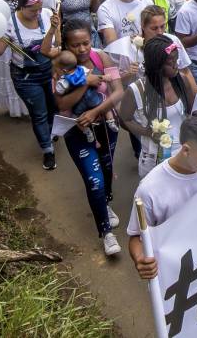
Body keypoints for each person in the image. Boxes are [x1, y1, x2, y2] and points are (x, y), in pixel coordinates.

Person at [47, 19, 124, 256]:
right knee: (94, 181)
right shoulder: (60, 66)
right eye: (75, 45)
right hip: (77, 132)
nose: (81, 49)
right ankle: (106, 234)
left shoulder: (102, 58)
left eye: (85, 43)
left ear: (92, 40)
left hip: (106, 127)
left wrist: (95, 112)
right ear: (66, 47)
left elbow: (118, 91)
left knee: (108, 171)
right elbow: (61, 103)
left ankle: (106, 203)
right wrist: (85, 83)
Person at [127, 110, 197, 282]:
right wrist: (140, 259)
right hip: (181, 278)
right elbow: (136, 237)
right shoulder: (150, 189)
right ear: (186, 150)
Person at [0, 0, 57, 170]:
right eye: (33, 10)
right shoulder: (9, 23)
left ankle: (51, 131)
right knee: (39, 112)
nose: (37, 14)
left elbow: (58, 42)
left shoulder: (47, 14)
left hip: (50, 71)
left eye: (39, 9)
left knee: (53, 106)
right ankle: (47, 149)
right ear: (21, 6)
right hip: (26, 77)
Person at [121, 35, 196, 177]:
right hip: (153, 157)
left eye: (176, 59)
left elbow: (192, 112)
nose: (176, 64)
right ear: (156, 65)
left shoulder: (182, 81)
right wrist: (147, 132)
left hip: (183, 151)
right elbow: (125, 119)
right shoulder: (136, 91)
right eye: (170, 62)